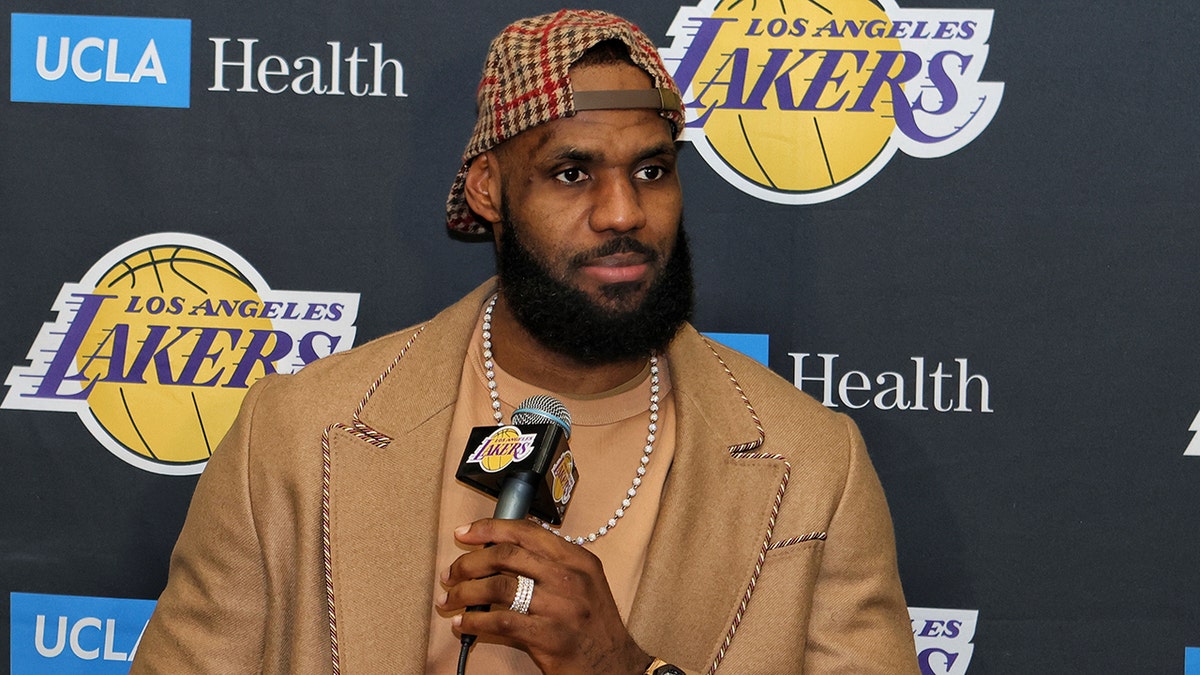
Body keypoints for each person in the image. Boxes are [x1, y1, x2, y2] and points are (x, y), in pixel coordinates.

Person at [132, 9, 918, 674]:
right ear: (488, 189)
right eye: (573, 173)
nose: (623, 213)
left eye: (652, 170)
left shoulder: (816, 467)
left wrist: (625, 667)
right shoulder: (295, 435)